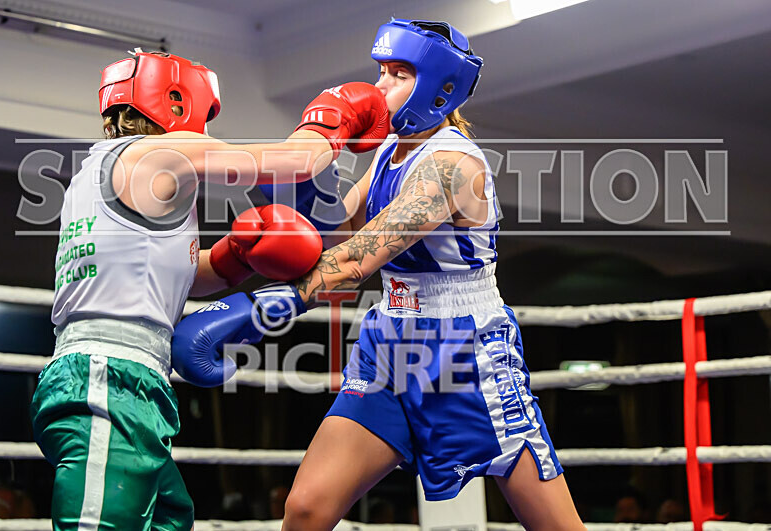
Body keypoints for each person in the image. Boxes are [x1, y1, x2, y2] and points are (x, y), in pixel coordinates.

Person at [172, 19, 585, 530]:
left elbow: (359, 259)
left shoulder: (452, 165)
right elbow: (339, 233)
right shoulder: (391, 151)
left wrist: (260, 309)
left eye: (399, 74)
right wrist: (308, 176)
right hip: (389, 340)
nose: (381, 85)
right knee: (306, 508)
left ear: (440, 89)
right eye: (381, 71)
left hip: (463, 349)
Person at [29, 49, 388, 529]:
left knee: (168, 518)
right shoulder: (161, 152)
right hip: (107, 378)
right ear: (178, 101)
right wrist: (332, 115)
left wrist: (234, 258)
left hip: (120, 375)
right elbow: (291, 163)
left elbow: (163, 271)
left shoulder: (96, 175)